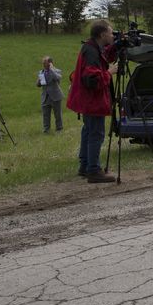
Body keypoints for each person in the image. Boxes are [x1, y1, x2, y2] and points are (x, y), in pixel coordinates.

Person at [66, 20, 118, 183]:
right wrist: (109, 72)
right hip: (92, 101)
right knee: (96, 133)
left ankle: (85, 166)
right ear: (102, 34)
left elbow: (106, 54)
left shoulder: (92, 48)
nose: (112, 35)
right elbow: (92, 80)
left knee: (88, 132)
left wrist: (117, 46)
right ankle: (93, 170)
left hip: (87, 100)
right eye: (110, 32)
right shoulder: (91, 52)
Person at [37, 56, 64, 133]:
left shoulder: (57, 71)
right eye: (43, 63)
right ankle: (46, 129)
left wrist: (52, 69)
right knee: (45, 114)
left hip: (55, 96)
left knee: (57, 114)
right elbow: (38, 85)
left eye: (45, 63)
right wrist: (39, 80)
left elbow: (57, 78)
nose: (43, 64)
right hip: (45, 96)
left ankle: (59, 128)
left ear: (50, 63)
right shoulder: (41, 72)